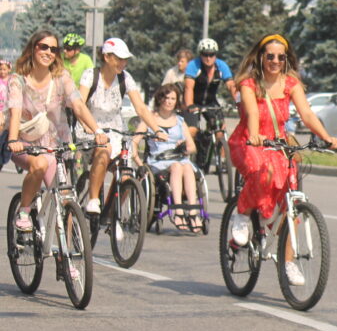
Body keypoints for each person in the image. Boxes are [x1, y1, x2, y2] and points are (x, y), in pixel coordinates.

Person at [227, 33, 337, 286]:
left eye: (281, 57)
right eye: (270, 56)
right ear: (261, 57)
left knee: (292, 205)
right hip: (250, 140)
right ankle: (242, 214)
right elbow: (253, 111)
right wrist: (255, 135)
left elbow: (307, 114)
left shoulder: (291, 84)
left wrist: (326, 136)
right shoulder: (249, 84)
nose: (275, 61)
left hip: (278, 143)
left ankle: (288, 263)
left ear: (286, 59)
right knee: (262, 172)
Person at [7, 30, 109, 275]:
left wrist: (97, 130)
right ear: (33, 48)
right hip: (27, 145)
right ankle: (24, 211)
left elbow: (77, 105)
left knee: (65, 199)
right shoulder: (17, 80)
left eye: (53, 49)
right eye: (43, 47)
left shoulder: (61, 77)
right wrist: (12, 139)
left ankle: (66, 257)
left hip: (58, 146)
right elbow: (15, 111)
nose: (48, 53)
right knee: (40, 164)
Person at [79, 38, 165, 216]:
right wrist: (91, 128)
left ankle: (112, 216)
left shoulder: (125, 78)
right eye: (119, 58)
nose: (123, 63)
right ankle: (93, 200)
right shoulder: (91, 75)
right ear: (107, 57)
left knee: (127, 173)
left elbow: (140, 108)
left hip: (116, 129)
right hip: (90, 128)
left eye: (125, 59)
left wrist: (156, 129)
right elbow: (79, 105)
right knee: (104, 150)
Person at [134, 83, 201, 232]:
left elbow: (192, 147)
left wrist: (184, 145)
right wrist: (138, 163)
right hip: (159, 160)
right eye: (166, 98)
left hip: (179, 157)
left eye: (173, 98)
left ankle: (193, 211)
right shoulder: (149, 119)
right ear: (160, 99)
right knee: (177, 167)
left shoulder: (180, 121)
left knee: (187, 166)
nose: (169, 101)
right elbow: (134, 142)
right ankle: (177, 211)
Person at [183, 38, 238, 138]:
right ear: (200, 54)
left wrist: (239, 101)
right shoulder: (194, 65)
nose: (208, 58)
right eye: (205, 54)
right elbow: (188, 87)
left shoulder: (221, 66)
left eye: (211, 54)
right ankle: (190, 151)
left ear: (215, 55)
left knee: (220, 131)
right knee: (192, 130)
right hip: (193, 102)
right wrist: (190, 105)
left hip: (210, 102)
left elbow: (231, 85)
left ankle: (219, 153)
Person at [0, 59, 11, 128]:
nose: (2, 71)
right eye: (0, 69)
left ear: (9, 70)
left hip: (9, 107)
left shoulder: (12, 80)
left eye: (4, 69)